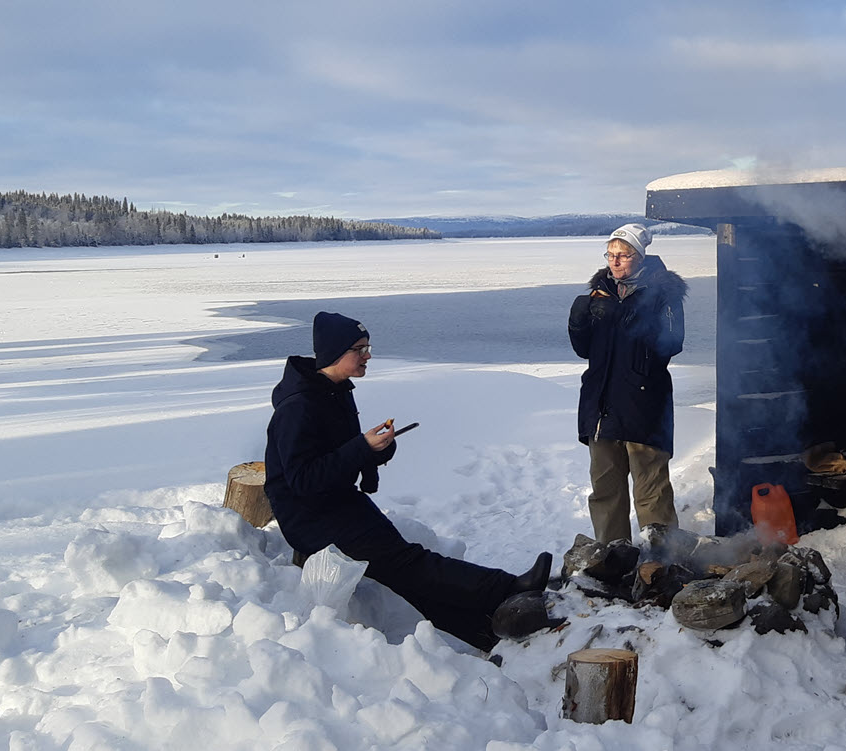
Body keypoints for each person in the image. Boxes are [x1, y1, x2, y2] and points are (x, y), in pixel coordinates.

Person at [265, 311, 551, 652]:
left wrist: (376, 450)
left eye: (368, 346)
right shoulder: (298, 408)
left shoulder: (334, 390)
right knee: (409, 563)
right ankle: (509, 589)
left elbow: (337, 456)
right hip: (310, 518)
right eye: (360, 348)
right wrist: (361, 448)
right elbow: (303, 480)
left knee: (405, 572)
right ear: (334, 353)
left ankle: (485, 633)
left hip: (337, 502)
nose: (368, 355)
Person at [569, 224, 688, 542]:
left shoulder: (663, 292)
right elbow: (584, 351)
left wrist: (633, 316)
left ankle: (662, 563)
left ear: (640, 256)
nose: (615, 261)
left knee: (652, 492)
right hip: (602, 407)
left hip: (644, 406)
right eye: (610, 254)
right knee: (605, 493)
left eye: (623, 254)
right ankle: (612, 559)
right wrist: (579, 321)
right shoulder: (600, 293)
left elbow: (672, 343)